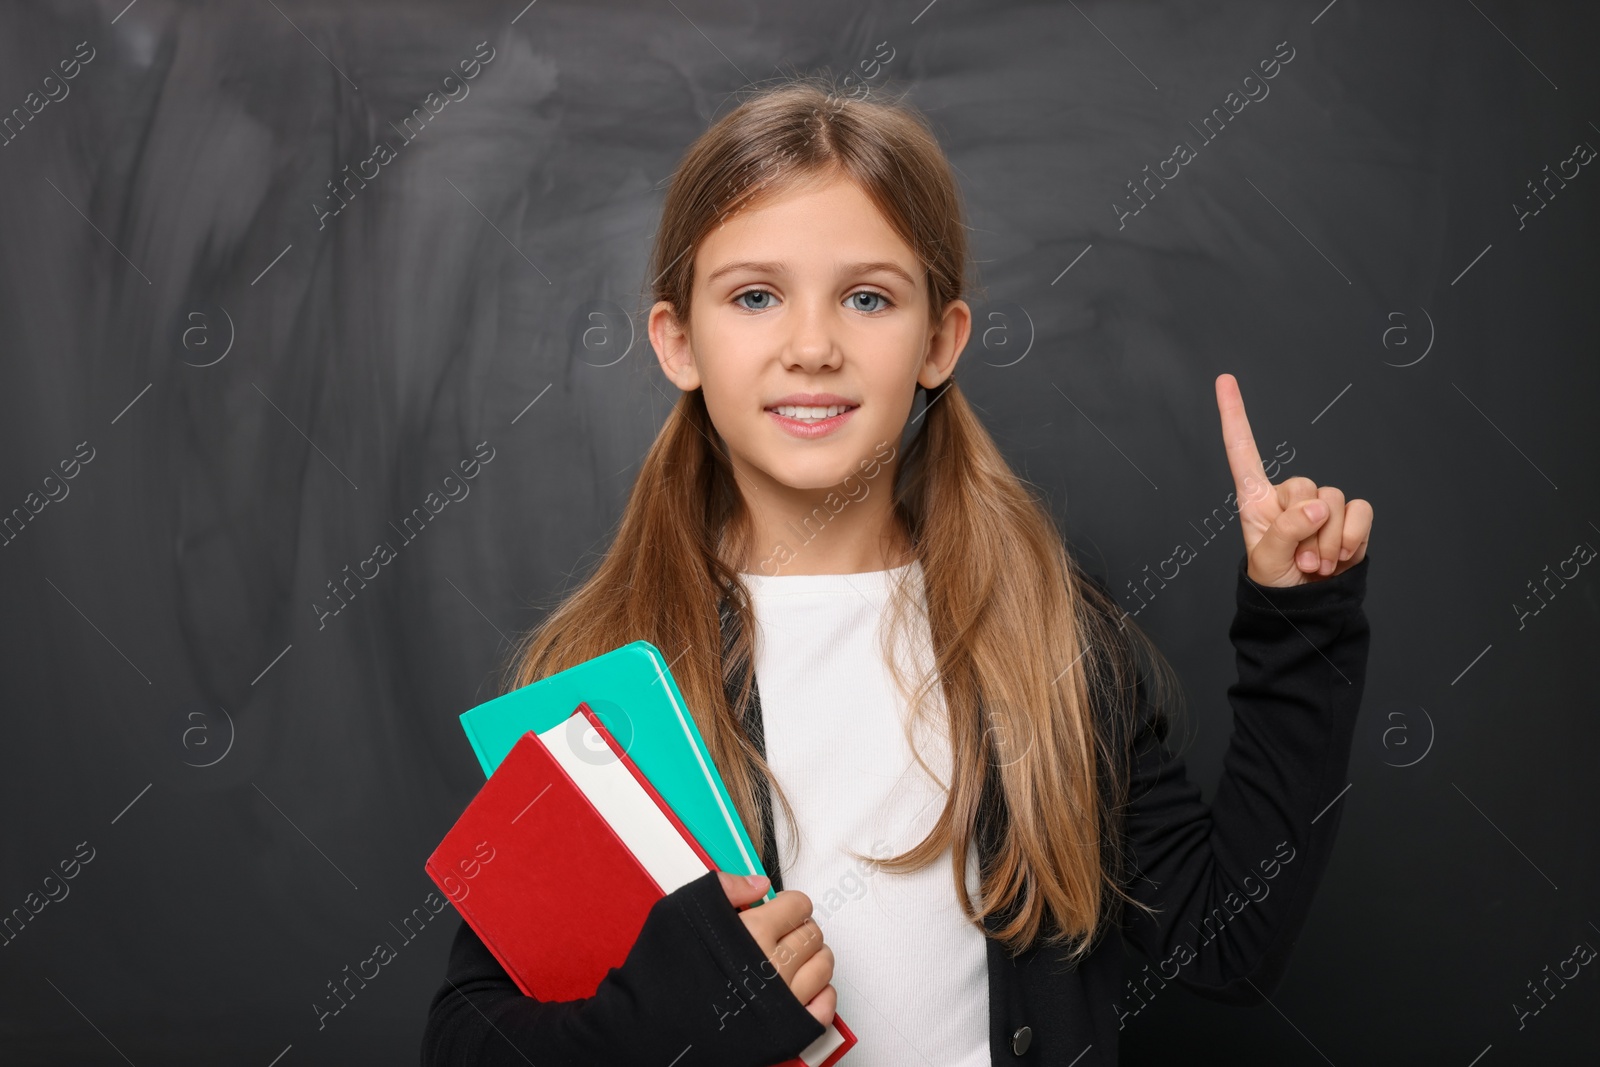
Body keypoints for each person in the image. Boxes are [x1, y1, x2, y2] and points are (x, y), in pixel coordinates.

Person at [420, 75, 1373, 1067]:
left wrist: (1298, 628)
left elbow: (1224, 941)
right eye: (754, 296)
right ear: (677, 341)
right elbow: (463, 1044)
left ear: (938, 340)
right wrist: (653, 1018)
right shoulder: (605, 679)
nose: (812, 346)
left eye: (867, 297)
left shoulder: (1045, 632)